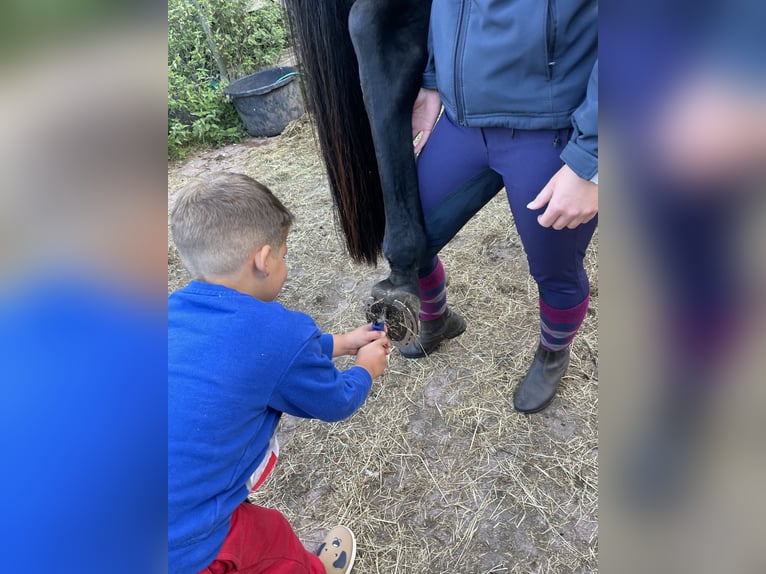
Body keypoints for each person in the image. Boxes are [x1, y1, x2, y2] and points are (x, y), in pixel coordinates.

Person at [168, 172, 391, 574]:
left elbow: (258, 360)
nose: (284, 264)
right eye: (284, 255)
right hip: (185, 543)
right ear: (264, 259)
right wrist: (365, 368)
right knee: (271, 544)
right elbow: (337, 401)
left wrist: (340, 342)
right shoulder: (280, 330)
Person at [401, 0, 599, 414]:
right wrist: (434, 79)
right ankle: (436, 318)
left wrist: (593, 160)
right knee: (409, 238)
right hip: (461, 125)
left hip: (550, 129)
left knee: (555, 270)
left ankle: (553, 352)